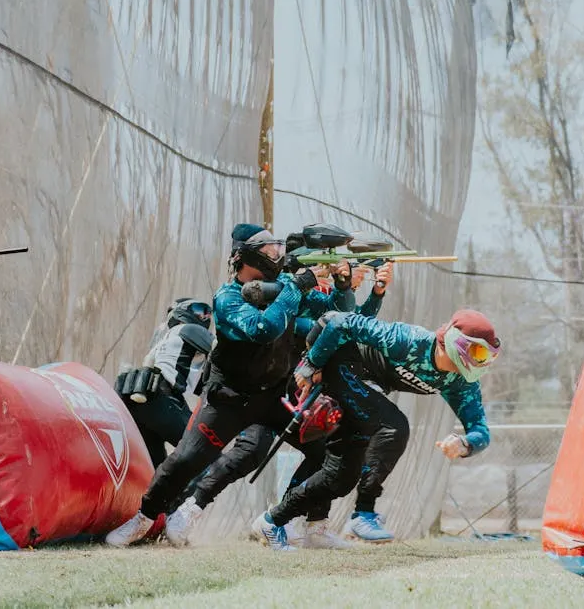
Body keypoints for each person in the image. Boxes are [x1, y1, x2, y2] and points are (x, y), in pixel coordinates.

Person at [105, 223, 344, 548]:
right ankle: (143, 518)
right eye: (267, 251)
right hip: (229, 400)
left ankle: (284, 522)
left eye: (276, 249)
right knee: (185, 461)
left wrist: (340, 283)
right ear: (245, 257)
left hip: (274, 397)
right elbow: (264, 328)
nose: (275, 256)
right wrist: (295, 287)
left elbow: (326, 315)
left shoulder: (282, 289)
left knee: (326, 449)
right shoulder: (227, 298)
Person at [177, 259, 394, 549]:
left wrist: (372, 292)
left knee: (326, 451)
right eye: (322, 269)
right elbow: (315, 326)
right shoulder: (279, 291)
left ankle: (303, 523)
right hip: (260, 391)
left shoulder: (316, 297)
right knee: (249, 453)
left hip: (293, 392)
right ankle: (191, 508)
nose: (326, 276)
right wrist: (343, 295)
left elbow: (351, 325)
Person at [251, 309, 498, 550]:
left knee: (341, 476)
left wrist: (465, 444)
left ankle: (279, 522)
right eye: (477, 352)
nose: (478, 363)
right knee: (394, 427)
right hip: (341, 364)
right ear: (455, 342)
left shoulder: (461, 382)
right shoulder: (408, 340)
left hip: (364, 388)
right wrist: (310, 365)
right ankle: (364, 513)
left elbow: (481, 431)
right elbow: (339, 321)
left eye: (486, 356)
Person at [117, 299, 214, 467]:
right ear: (182, 311)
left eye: (206, 313)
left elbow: (202, 384)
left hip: (139, 399)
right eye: (199, 310)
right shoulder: (190, 329)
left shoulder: (166, 338)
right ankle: (192, 494)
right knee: (206, 451)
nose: (204, 317)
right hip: (162, 397)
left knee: (155, 471)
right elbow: (222, 352)